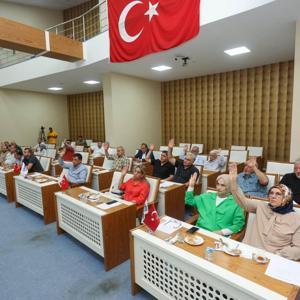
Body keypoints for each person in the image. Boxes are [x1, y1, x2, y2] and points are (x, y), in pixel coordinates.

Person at [229, 163, 300, 261]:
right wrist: (233, 182)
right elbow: (243, 201)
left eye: (278, 194)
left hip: (274, 260)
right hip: (248, 254)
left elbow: (297, 248)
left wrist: (277, 256)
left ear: (286, 197)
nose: (273, 196)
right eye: (271, 193)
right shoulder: (262, 206)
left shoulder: (296, 219)